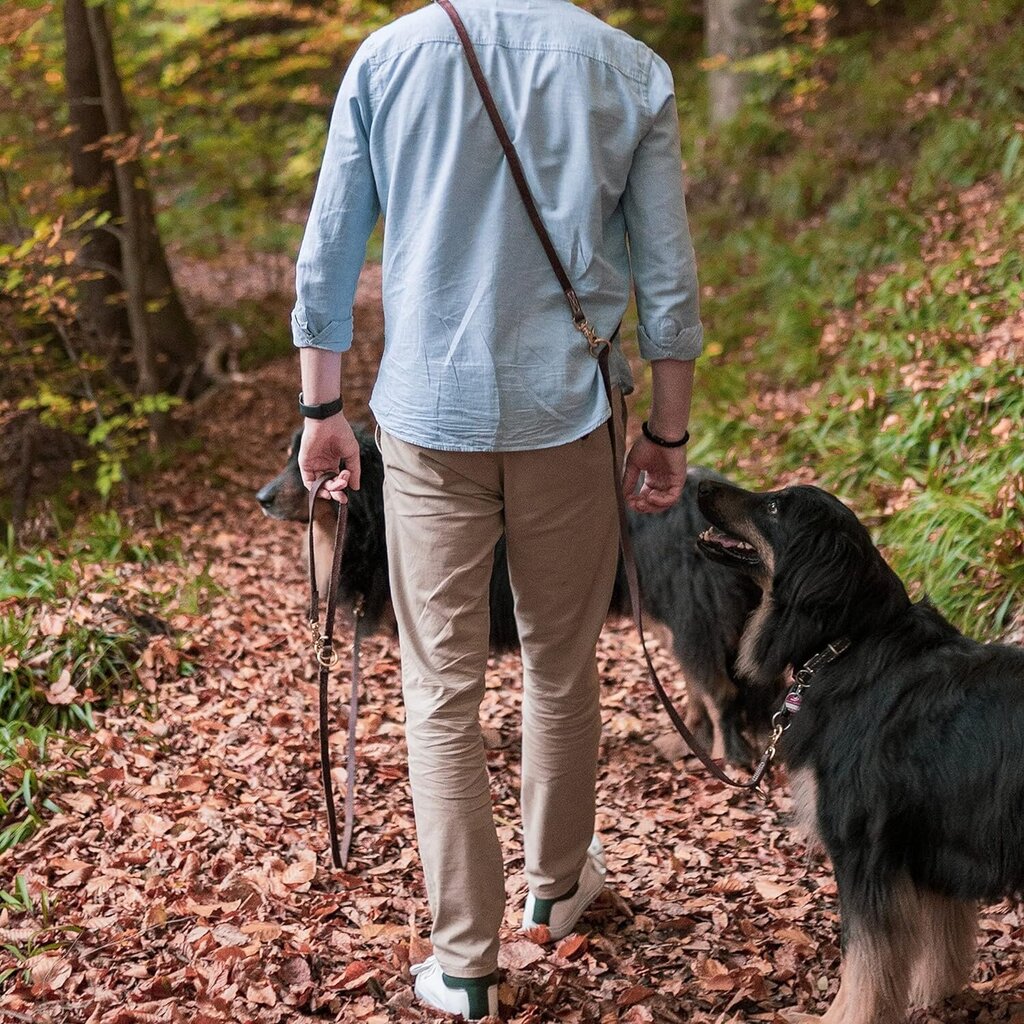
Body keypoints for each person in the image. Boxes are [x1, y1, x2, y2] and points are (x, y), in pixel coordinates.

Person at [291, 0, 702, 1017]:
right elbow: (667, 274)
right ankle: (557, 890)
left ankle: (466, 963)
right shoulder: (629, 69)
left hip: (429, 420)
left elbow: (331, 248)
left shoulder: (387, 57)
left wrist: (321, 407)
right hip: (569, 417)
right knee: (562, 663)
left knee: (439, 685)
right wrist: (667, 431)